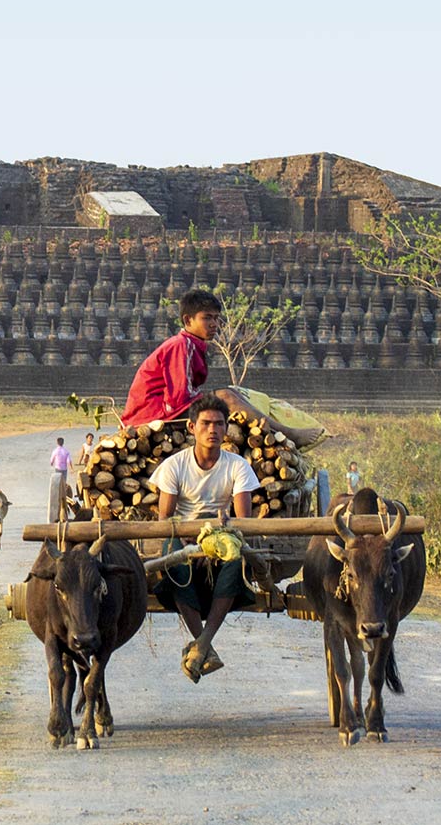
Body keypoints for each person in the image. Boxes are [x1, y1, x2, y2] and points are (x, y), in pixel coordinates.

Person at [153, 392, 260, 684]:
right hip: (184, 537)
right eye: (206, 424)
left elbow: (243, 522)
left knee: (236, 557)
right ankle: (205, 646)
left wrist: (227, 525)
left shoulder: (237, 465)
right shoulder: (174, 465)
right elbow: (165, 520)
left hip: (221, 536)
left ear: (227, 429)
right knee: (172, 557)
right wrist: (185, 537)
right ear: (192, 428)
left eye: (219, 424)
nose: (212, 430)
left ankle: (201, 645)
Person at [121, 289, 313, 445]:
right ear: (188, 320)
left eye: (215, 319)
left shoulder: (193, 345)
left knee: (231, 393)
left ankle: (274, 432)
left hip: (166, 410)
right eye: (207, 318)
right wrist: (219, 399)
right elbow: (178, 398)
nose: (214, 324)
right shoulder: (181, 345)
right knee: (226, 396)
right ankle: (289, 434)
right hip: (151, 416)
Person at [47, 436, 72, 523]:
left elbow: (52, 459)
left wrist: (51, 463)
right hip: (64, 469)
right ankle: (64, 494)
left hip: (57, 468)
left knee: (58, 482)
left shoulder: (55, 451)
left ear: (57, 442)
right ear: (63, 443)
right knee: (64, 482)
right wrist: (71, 467)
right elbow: (68, 461)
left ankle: (60, 494)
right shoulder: (66, 451)